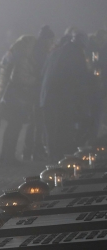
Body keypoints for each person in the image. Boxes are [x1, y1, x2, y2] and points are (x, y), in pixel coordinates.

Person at [40, 33, 94, 162]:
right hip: (63, 97)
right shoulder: (76, 55)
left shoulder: (54, 53)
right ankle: (62, 157)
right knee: (64, 127)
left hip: (46, 97)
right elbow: (80, 79)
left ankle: (52, 155)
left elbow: (42, 73)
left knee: (51, 128)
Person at [0, 35, 37, 165]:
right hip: (17, 97)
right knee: (15, 126)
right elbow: (21, 77)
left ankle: (6, 154)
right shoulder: (22, 58)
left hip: (9, 97)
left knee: (12, 126)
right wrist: (36, 80)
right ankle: (8, 156)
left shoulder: (12, 55)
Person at [22, 25, 55, 161]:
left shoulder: (36, 50)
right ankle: (35, 150)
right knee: (37, 122)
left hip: (33, 90)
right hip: (37, 90)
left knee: (35, 122)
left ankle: (29, 150)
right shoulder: (42, 52)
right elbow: (42, 72)